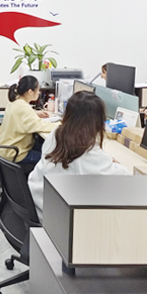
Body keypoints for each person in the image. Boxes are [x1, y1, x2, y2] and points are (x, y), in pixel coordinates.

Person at [28, 91, 129, 222]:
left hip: (38, 202)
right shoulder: (87, 150)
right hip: (57, 220)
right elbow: (125, 178)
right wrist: (114, 164)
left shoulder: (55, 134)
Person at [0, 75, 58, 170]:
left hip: (7, 148)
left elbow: (21, 116)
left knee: (50, 149)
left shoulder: (15, 102)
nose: (39, 92)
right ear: (30, 92)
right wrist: (61, 125)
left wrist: (34, 113)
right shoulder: (23, 108)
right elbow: (40, 126)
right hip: (16, 153)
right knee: (52, 160)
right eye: (38, 90)